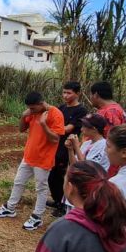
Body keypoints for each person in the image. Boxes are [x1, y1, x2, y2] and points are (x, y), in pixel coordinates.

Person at [0, 92, 65, 230]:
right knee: (18, 182)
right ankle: (10, 207)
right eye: (29, 108)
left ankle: (37, 217)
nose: (31, 111)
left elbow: (55, 139)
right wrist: (23, 115)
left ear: (41, 103)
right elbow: (21, 129)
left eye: (33, 108)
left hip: (43, 159)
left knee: (41, 188)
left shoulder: (56, 114)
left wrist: (44, 124)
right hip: (28, 156)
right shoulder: (32, 113)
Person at [47, 81, 87, 217]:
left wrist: (50, 129)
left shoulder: (81, 110)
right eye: (64, 92)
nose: (65, 95)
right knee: (52, 177)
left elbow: (67, 129)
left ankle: (63, 205)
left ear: (77, 93)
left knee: (62, 177)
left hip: (67, 148)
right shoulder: (61, 108)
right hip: (56, 145)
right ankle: (58, 200)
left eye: (69, 93)